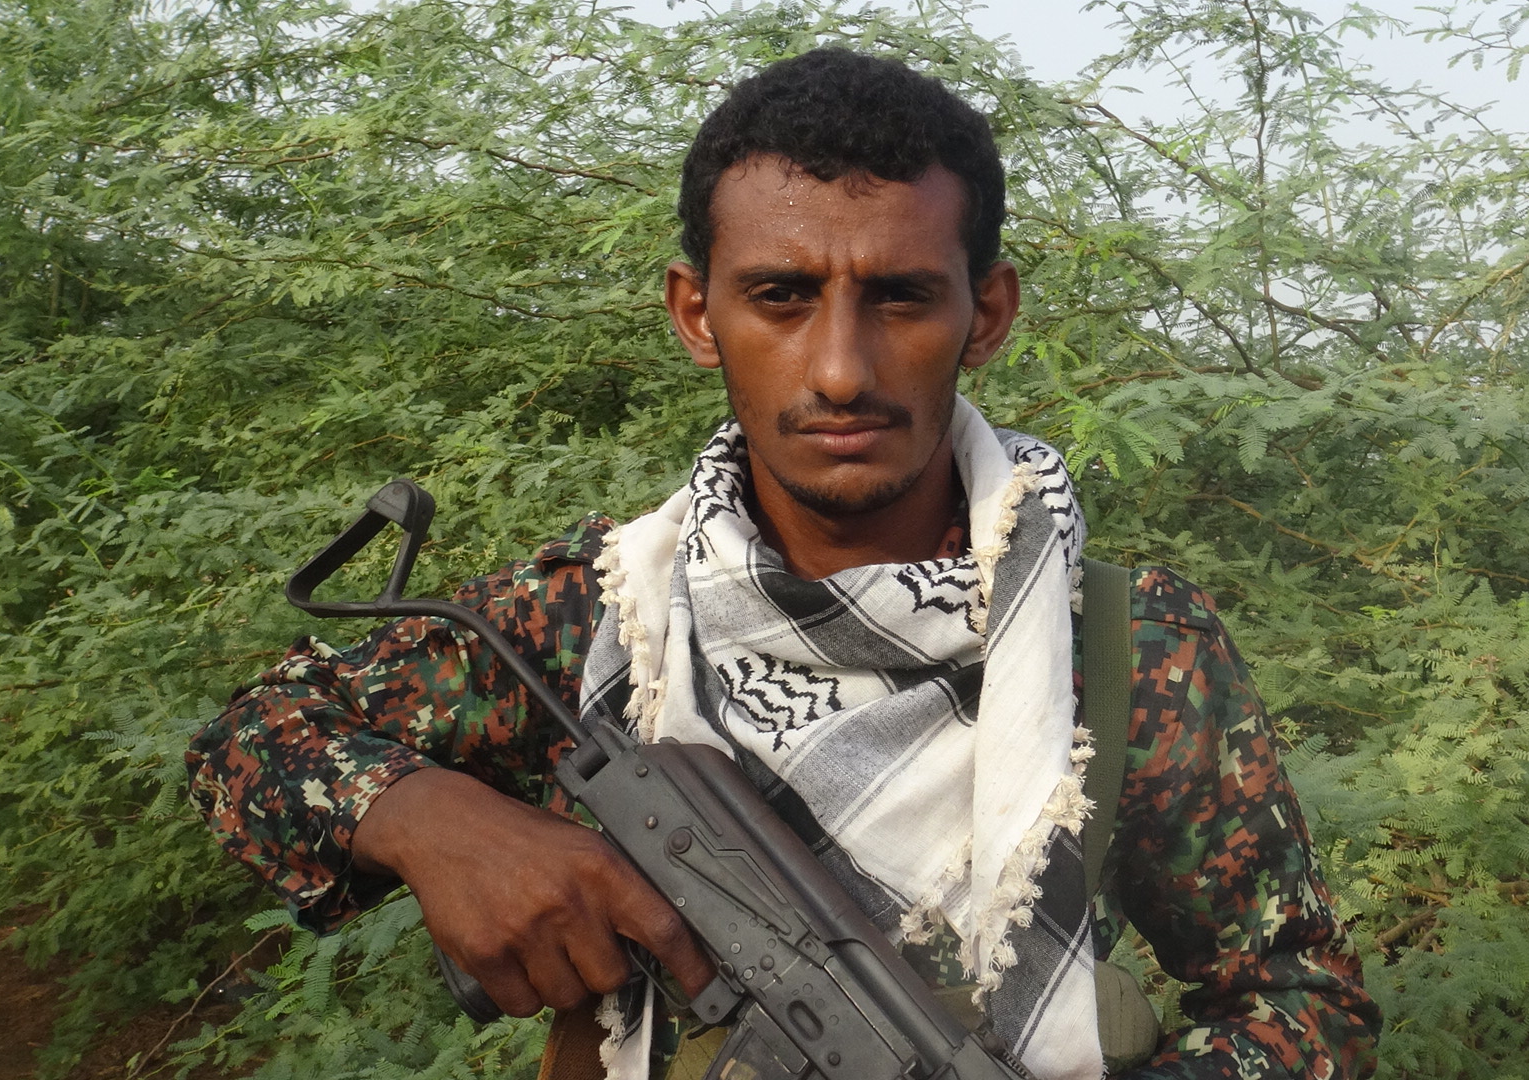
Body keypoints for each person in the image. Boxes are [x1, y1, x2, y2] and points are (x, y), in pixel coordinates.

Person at [188, 48, 1379, 1080]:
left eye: (901, 298)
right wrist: (432, 821)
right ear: (697, 313)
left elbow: (1300, 1002)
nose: (842, 369)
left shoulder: (1125, 648)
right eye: (781, 296)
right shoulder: (604, 613)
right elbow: (252, 738)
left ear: (986, 314)